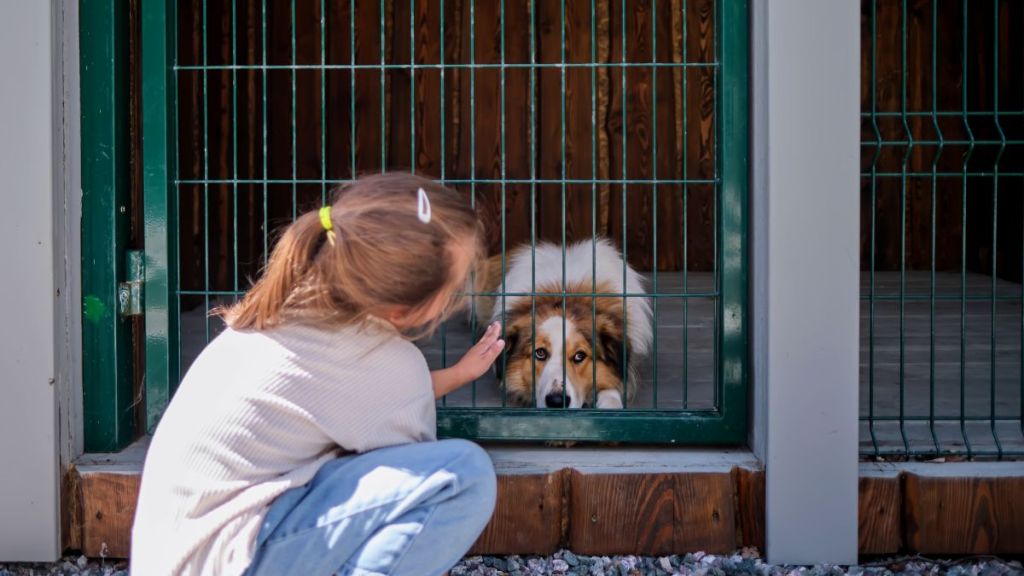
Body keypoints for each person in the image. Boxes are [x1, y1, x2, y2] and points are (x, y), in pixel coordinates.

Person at [131, 173, 503, 576]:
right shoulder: (387, 362)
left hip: (185, 554)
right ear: (402, 310)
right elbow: (397, 449)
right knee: (462, 474)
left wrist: (456, 374)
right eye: (453, 289)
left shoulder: (285, 310)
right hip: (230, 557)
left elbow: (361, 400)